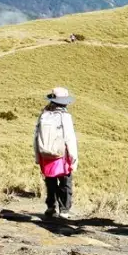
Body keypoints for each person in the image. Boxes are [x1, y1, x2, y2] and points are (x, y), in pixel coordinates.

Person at [34, 87, 79, 219]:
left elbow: (36, 137)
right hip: (61, 156)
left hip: (45, 156)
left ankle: (51, 207)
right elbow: (70, 139)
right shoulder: (65, 117)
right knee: (65, 182)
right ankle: (64, 210)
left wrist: (38, 156)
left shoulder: (43, 115)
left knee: (50, 181)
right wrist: (73, 159)